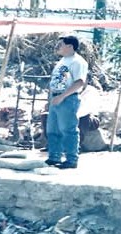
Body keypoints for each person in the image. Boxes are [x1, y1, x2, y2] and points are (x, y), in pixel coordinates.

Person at [45, 35, 89, 169]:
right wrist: (51, 98)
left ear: (70, 46)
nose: (58, 47)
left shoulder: (78, 62)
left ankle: (71, 159)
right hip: (56, 97)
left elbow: (79, 82)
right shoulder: (63, 61)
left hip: (68, 99)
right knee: (52, 130)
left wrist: (63, 96)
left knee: (68, 130)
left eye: (61, 44)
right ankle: (54, 157)